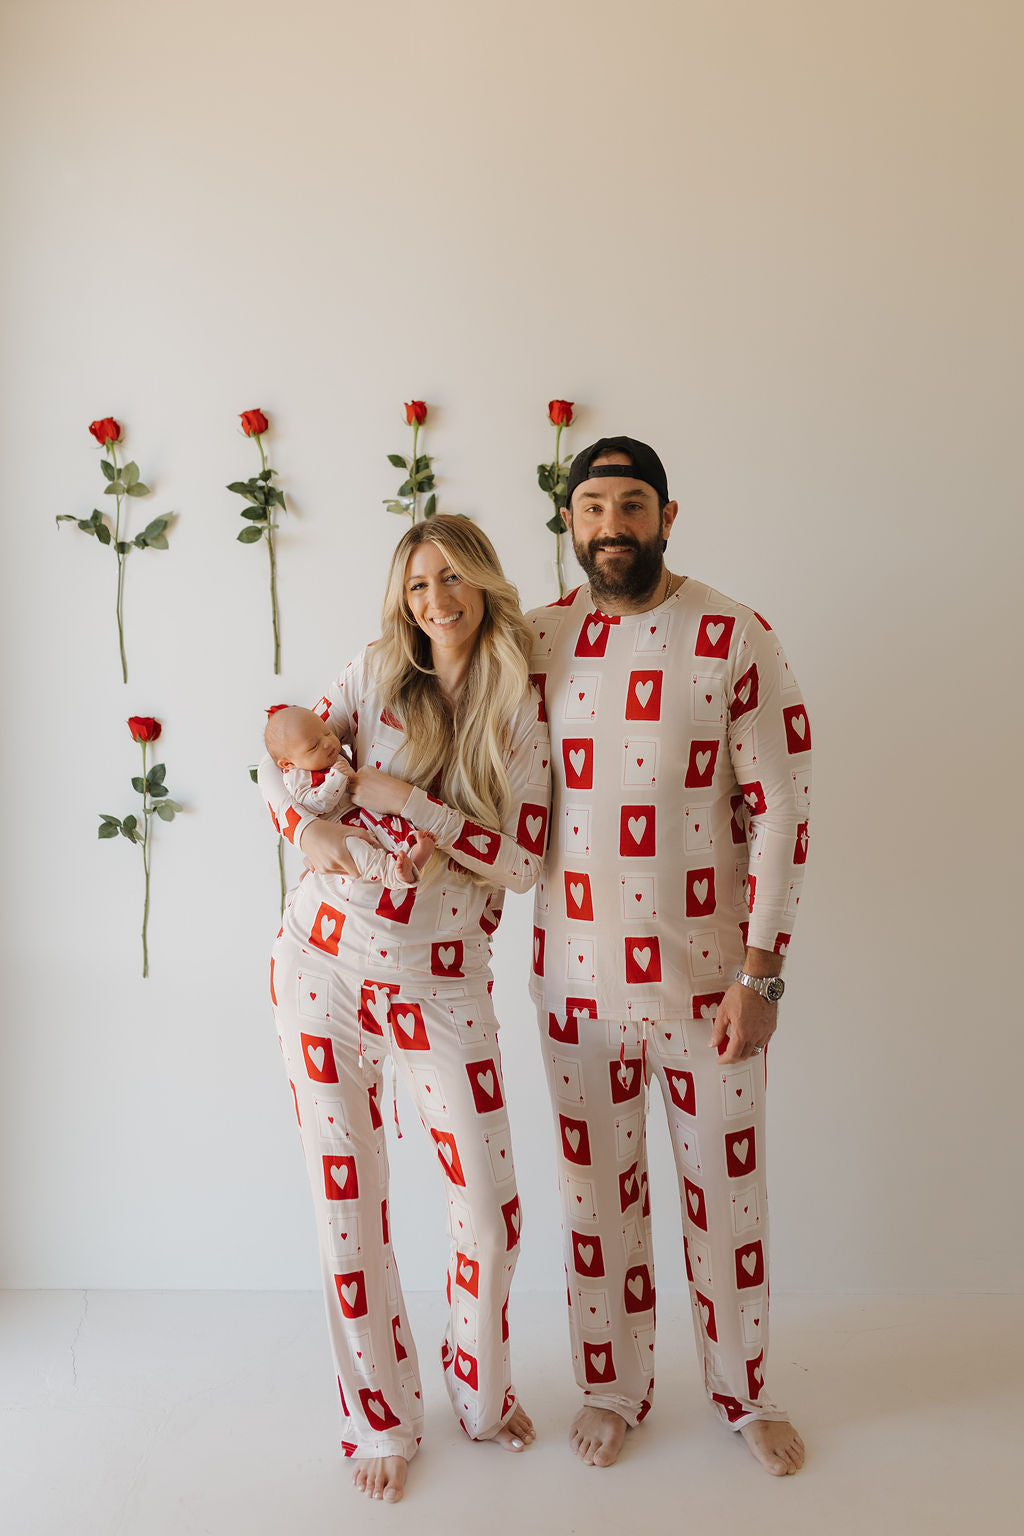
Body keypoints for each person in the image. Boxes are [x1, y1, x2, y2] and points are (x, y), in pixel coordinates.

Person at [525, 436, 810, 1477]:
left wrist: (762, 973)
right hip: (574, 983)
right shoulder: (537, 639)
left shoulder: (735, 633)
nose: (612, 525)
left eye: (631, 504)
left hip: (710, 986)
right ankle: (612, 1385)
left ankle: (744, 1394)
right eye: (592, 506)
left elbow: (781, 805)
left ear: (667, 515)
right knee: (595, 1197)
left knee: (726, 1197)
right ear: (570, 521)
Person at [258, 515, 550, 1504]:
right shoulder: (375, 670)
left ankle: (480, 1391)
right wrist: (304, 829)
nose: (436, 600)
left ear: (483, 584)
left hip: (441, 985)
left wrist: (406, 801)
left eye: (452, 578)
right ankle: (378, 1415)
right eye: (418, 584)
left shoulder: (518, 707)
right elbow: (282, 757)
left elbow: (522, 861)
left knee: (490, 1212)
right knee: (348, 1211)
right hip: (322, 972)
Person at [264, 704, 435, 887]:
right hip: (337, 829)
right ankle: (392, 873)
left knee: (386, 823)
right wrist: (337, 778)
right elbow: (318, 804)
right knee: (357, 850)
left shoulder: (331, 755)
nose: (328, 742)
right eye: (313, 746)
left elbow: (354, 783)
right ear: (288, 763)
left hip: (358, 812)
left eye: (327, 732)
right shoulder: (297, 777)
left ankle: (411, 850)